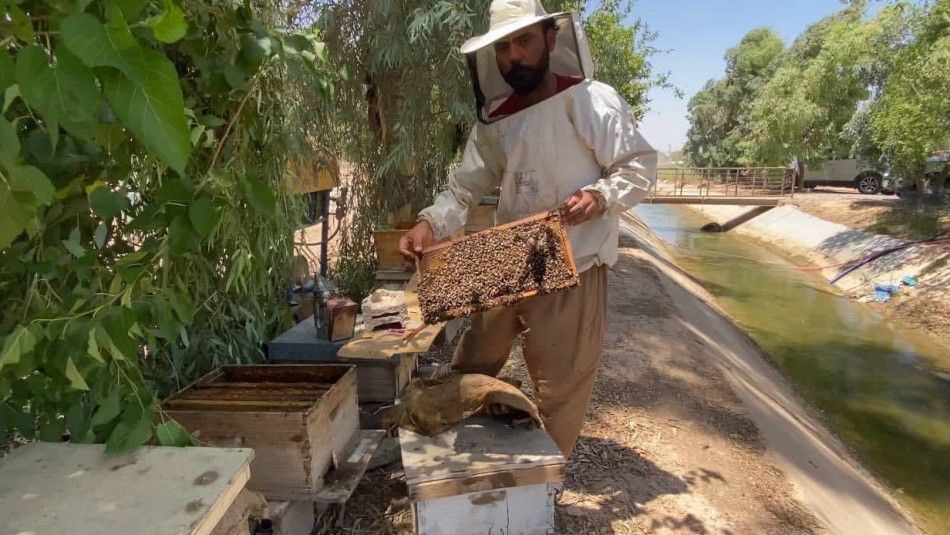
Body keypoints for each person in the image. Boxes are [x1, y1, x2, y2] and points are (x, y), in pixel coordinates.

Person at [399, 0, 657, 457]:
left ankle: (543, 483)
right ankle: (465, 454)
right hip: (508, 257)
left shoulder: (590, 100)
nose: (513, 56)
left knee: (561, 384)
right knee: (473, 359)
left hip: (573, 260)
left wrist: (599, 197)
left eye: (524, 41)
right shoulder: (497, 119)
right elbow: (464, 188)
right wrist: (428, 222)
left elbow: (638, 165)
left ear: (550, 40)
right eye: (503, 47)